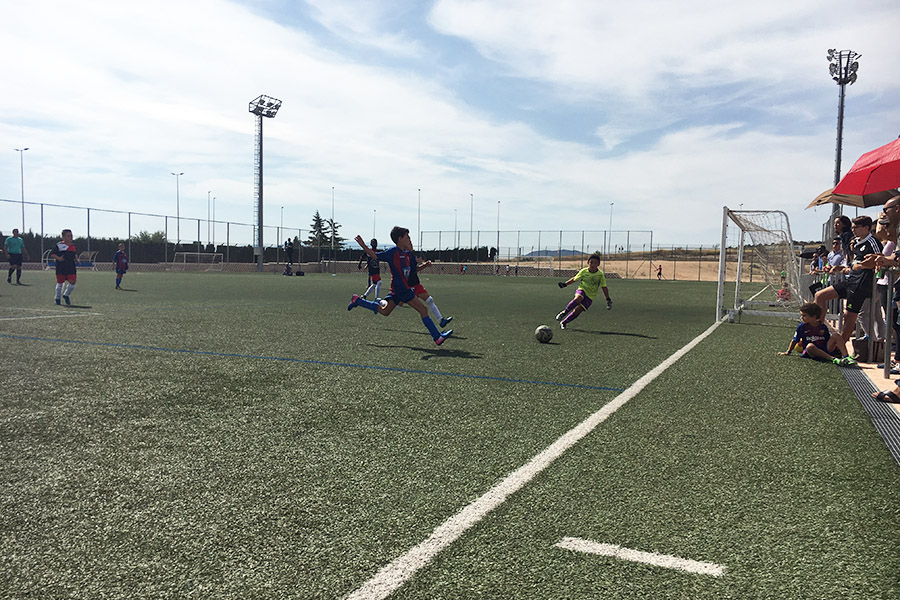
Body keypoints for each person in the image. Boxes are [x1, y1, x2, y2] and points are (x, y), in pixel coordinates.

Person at [347, 227, 452, 346]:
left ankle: (358, 300)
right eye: (407, 237)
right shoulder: (393, 252)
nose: (409, 239)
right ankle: (437, 337)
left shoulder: (407, 254)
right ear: (400, 239)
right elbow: (375, 256)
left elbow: (412, 270)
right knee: (423, 310)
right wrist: (363, 245)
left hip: (397, 290)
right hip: (402, 290)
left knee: (385, 311)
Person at [814, 215, 882, 344]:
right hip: (851, 280)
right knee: (820, 296)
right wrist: (840, 267)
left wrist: (860, 266)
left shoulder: (873, 242)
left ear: (866, 228)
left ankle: (840, 346)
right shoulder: (855, 242)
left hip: (863, 284)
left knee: (849, 316)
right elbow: (853, 264)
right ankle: (818, 331)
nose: (853, 230)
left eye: (856, 227)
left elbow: (878, 261)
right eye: (852, 227)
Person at [778, 302, 854, 366]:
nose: (801, 318)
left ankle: (846, 357)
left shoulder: (822, 326)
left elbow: (827, 339)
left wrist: (835, 346)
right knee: (810, 346)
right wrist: (788, 352)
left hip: (824, 348)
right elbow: (795, 340)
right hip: (811, 351)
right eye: (801, 315)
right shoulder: (801, 327)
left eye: (804, 315)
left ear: (814, 317)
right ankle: (833, 359)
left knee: (836, 335)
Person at [555, 253, 612, 329]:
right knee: (578, 298)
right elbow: (574, 279)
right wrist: (565, 284)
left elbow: (604, 287)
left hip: (591, 295)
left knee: (577, 311)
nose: (592, 264)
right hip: (582, 289)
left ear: (598, 264)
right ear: (588, 262)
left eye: (595, 263)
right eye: (591, 262)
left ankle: (564, 322)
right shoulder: (583, 271)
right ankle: (564, 312)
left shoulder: (600, 275)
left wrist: (608, 298)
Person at [401, 255, 453, 328]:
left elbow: (415, 270)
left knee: (429, 300)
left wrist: (425, 265)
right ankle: (381, 304)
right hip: (408, 287)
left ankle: (441, 320)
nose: (421, 259)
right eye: (420, 257)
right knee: (397, 303)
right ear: (416, 257)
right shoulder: (405, 258)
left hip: (416, 285)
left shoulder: (411, 259)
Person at [49, 229, 78, 305]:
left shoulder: (73, 245)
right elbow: (52, 254)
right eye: (69, 236)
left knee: (73, 282)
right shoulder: (59, 245)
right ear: (63, 237)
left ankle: (66, 295)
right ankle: (57, 298)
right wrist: (58, 258)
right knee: (60, 283)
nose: (71, 237)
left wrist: (76, 259)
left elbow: (74, 254)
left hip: (71, 266)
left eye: (71, 236)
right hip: (61, 267)